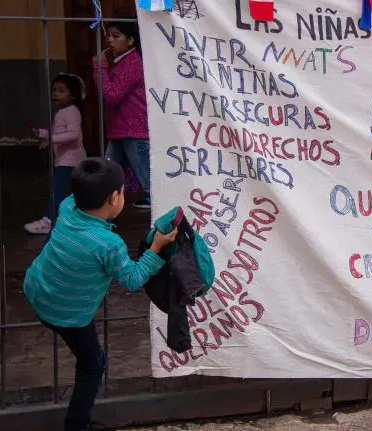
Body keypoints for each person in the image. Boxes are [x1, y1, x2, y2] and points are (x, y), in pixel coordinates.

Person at [23, 158, 178, 431]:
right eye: (122, 191)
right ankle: (77, 424)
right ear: (114, 198)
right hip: (67, 313)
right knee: (93, 364)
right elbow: (132, 279)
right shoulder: (108, 244)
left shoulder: (67, 207)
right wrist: (156, 248)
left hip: (37, 288)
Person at [92, 21, 151, 210]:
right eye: (108, 35)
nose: (110, 39)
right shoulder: (122, 61)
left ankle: (160, 209)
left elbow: (112, 95)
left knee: (149, 180)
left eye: (116, 36)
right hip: (121, 130)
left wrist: (99, 68)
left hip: (133, 130)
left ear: (131, 40)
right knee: (108, 177)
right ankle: (104, 208)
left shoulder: (132, 63)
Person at [24, 74, 88, 235]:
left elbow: (73, 134)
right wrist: (44, 134)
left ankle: (48, 220)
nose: (56, 94)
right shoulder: (65, 111)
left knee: (58, 190)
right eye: (54, 90)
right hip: (65, 159)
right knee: (69, 190)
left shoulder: (71, 112)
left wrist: (51, 139)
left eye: (61, 91)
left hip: (70, 160)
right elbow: (62, 133)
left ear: (73, 94)